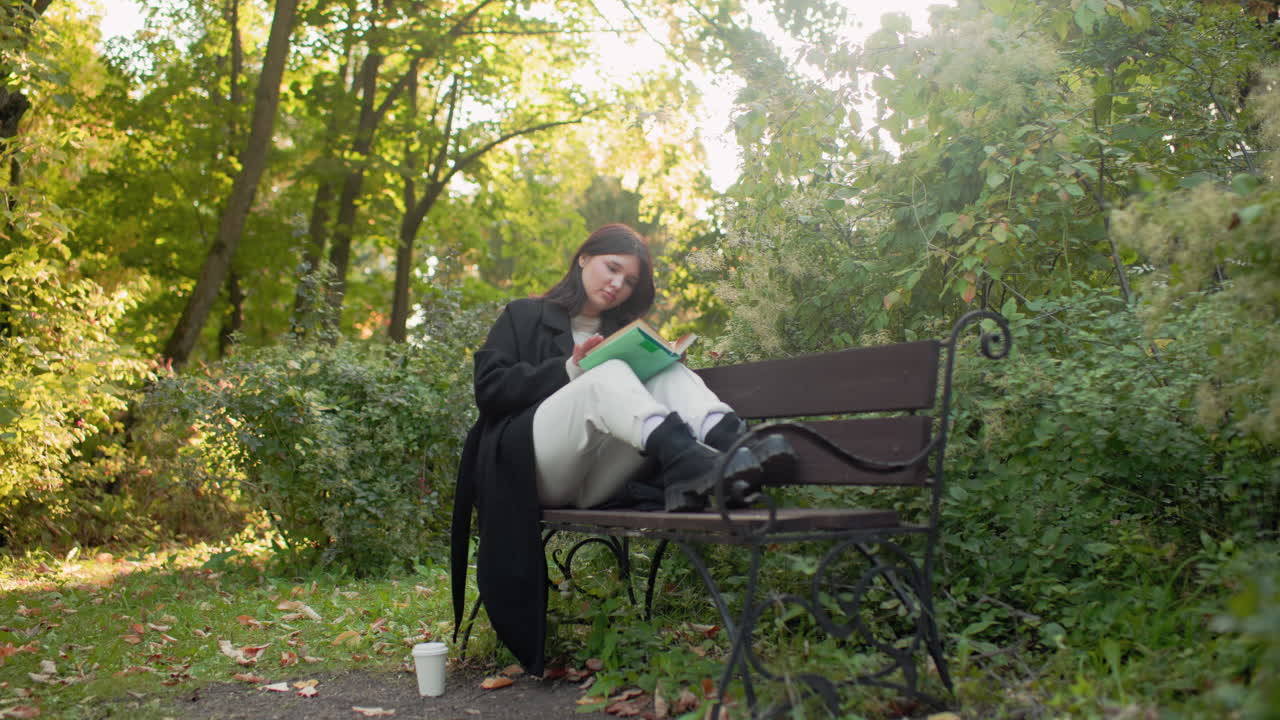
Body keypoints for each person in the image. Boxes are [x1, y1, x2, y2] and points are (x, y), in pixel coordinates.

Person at [449, 223, 795, 676]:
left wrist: (658, 364)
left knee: (665, 372)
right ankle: (690, 457)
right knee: (607, 371)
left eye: (629, 280)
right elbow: (489, 390)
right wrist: (569, 368)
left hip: (600, 480)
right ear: (584, 259)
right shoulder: (524, 315)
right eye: (612, 268)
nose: (617, 284)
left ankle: (737, 446)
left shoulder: (624, 332)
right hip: (535, 472)